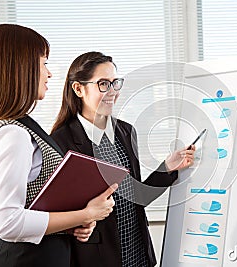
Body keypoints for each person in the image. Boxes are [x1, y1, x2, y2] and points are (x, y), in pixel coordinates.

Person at [0, 24, 117, 267]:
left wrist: (71, 226)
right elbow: (7, 222)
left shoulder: (18, 125)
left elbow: (33, 207)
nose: (48, 74)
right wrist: (87, 214)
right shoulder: (13, 133)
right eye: (43, 63)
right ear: (20, 68)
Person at [50, 51, 195, 267]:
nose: (112, 92)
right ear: (78, 88)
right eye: (103, 84)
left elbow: (137, 196)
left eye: (115, 83)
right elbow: (54, 212)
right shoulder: (61, 141)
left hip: (137, 252)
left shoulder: (126, 132)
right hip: (98, 258)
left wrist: (167, 168)